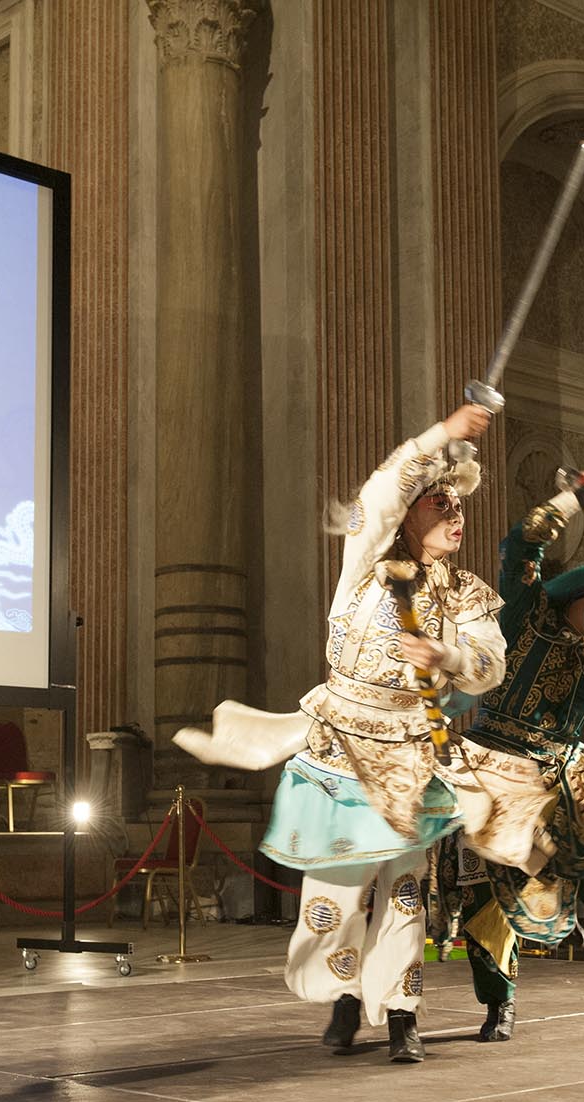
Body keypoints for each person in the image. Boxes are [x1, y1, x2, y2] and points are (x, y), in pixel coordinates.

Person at [174, 403, 523, 1065]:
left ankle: (400, 1011)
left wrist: (448, 658)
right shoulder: (364, 565)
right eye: (440, 503)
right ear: (411, 513)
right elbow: (382, 488)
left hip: (411, 755)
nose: (457, 515)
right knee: (334, 889)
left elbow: (491, 662)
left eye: (460, 506)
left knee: (403, 889)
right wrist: (442, 436)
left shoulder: (469, 594)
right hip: (340, 746)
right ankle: (343, 993)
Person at [437, 474, 584, 1041]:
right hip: (492, 762)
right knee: (487, 893)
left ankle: (567, 879)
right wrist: (577, 499)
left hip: (558, 770)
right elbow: (521, 542)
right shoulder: (526, 612)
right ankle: (499, 1000)